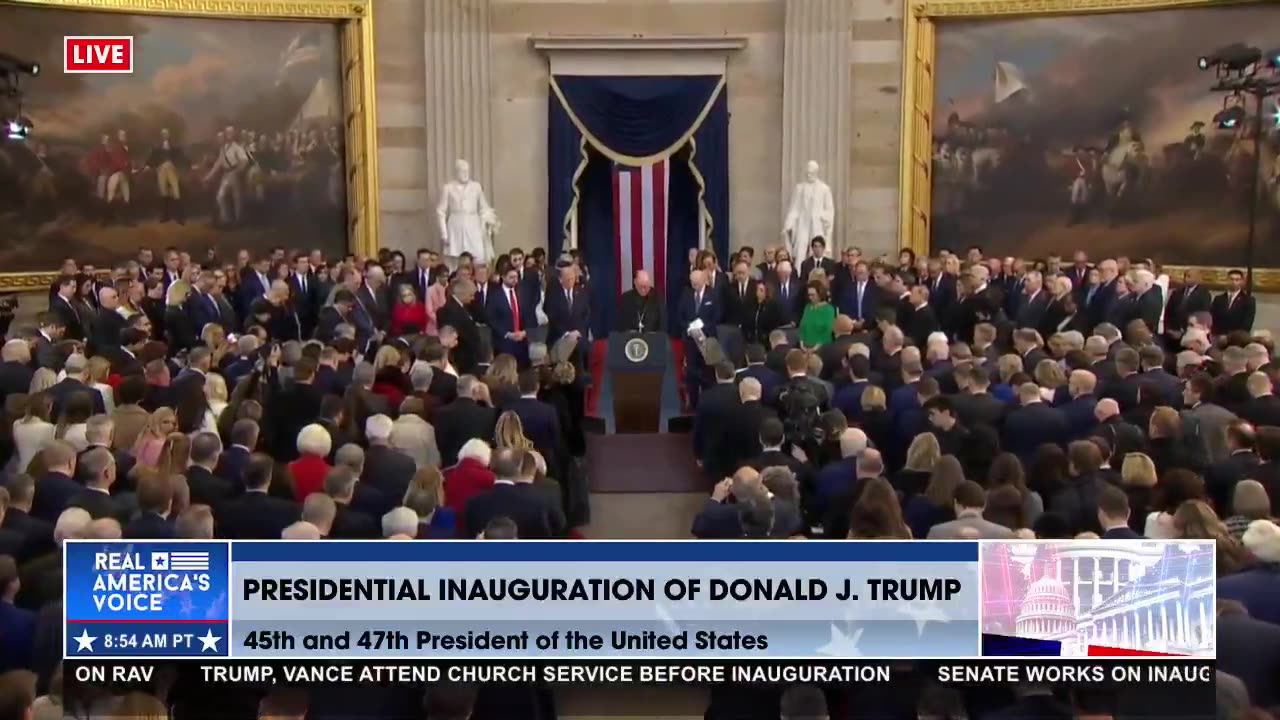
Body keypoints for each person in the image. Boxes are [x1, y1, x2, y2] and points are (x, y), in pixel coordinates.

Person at [798, 281, 835, 348]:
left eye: (813, 295)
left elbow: (827, 331)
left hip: (822, 348)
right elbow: (802, 328)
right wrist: (802, 345)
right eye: (809, 295)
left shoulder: (829, 309)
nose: (810, 297)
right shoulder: (808, 307)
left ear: (820, 294)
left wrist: (815, 348)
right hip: (805, 348)